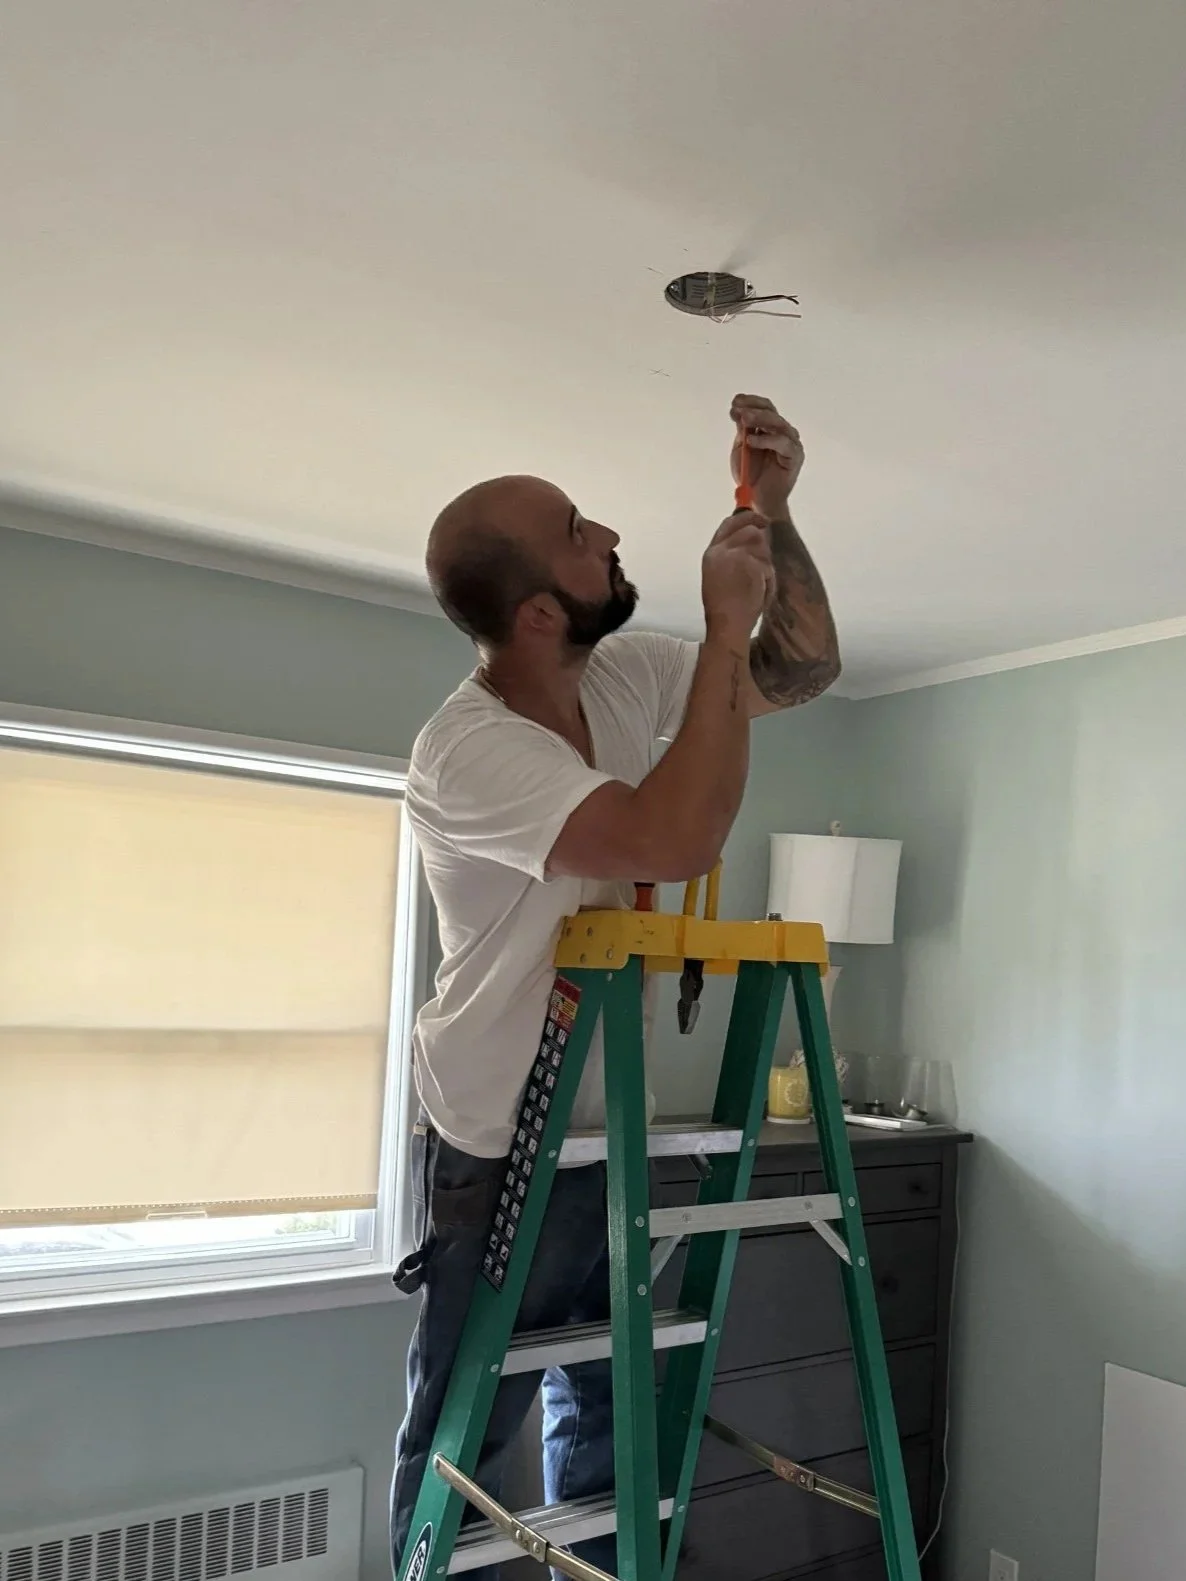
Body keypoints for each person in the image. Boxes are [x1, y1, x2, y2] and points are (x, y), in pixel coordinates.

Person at [390, 394, 841, 1579]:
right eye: (580, 532)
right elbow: (669, 838)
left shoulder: (627, 680)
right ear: (540, 610)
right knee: (470, 1432)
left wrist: (772, 513)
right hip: (500, 1135)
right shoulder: (470, 750)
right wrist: (717, 623)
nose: (609, 536)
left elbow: (798, 667)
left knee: (608, 1409)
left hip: (614, 1119)